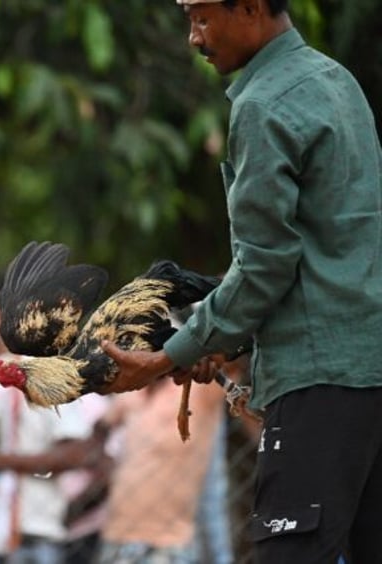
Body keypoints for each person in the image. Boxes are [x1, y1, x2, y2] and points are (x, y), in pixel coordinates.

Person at [102, 0, 382, 561]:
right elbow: (333, 256)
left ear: (251, 7)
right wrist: (223, 338)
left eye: (202, 17)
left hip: (319, 377)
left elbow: (267, 264)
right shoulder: (338, 81)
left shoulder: (261, 104)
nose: (193, 37)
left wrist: (168, 356)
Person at [96, 376, 226, 563]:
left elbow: (234, 360)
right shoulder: (134, 386)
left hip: (166, 541)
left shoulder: (198, 388)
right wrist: (104, 462)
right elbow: (100, 428)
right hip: (116, 535)